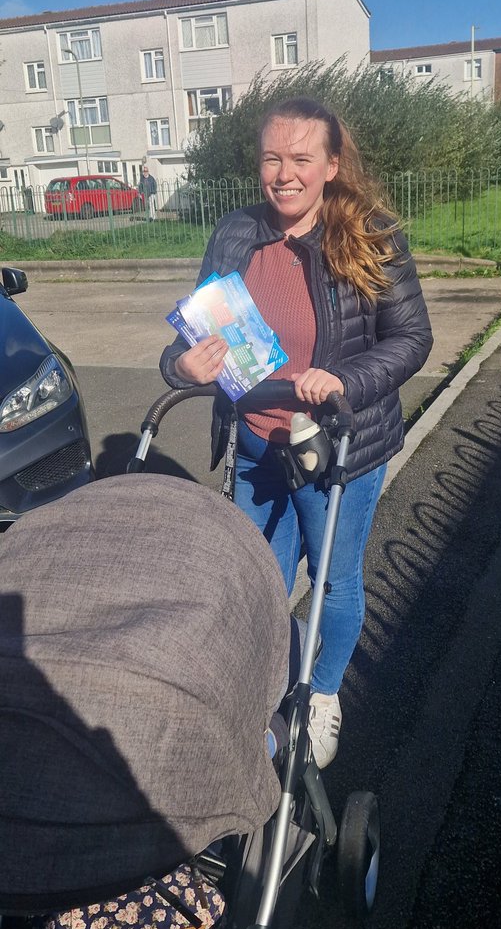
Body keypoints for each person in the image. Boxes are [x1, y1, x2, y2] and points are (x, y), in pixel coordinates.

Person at [160, 97, 433, 768]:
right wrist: (181, 364)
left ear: (331, 166)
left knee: (334, 577)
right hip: (256, 445)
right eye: (271, 159)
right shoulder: (234, 232)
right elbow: (195, 330)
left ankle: (322, 696)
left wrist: (343, 380)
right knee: (257, 581)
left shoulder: (370, 234)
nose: (284, 174)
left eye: (301, 159)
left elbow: (410, 339)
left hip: (336, 444)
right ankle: (259, 694)